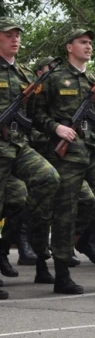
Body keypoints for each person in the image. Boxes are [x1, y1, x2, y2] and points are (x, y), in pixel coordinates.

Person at [34, 29, 95, 293]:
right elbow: (35, 114)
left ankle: (87, 238)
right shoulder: (53, 79)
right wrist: (56, 128)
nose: (88, 46)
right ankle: (62, 274)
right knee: (66, 213)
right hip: (66, 153)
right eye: (82, 42)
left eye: (90, 43)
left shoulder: (94, 81)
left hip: (92, 150)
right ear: (69, 47)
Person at [0, 17, 61, 299]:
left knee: (48, 178)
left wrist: (57, 127)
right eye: (8, 35)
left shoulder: (25, 74)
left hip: (18, 144)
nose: (15, 39)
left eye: (17, 35)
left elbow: (37, 114)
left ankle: (31, 243)